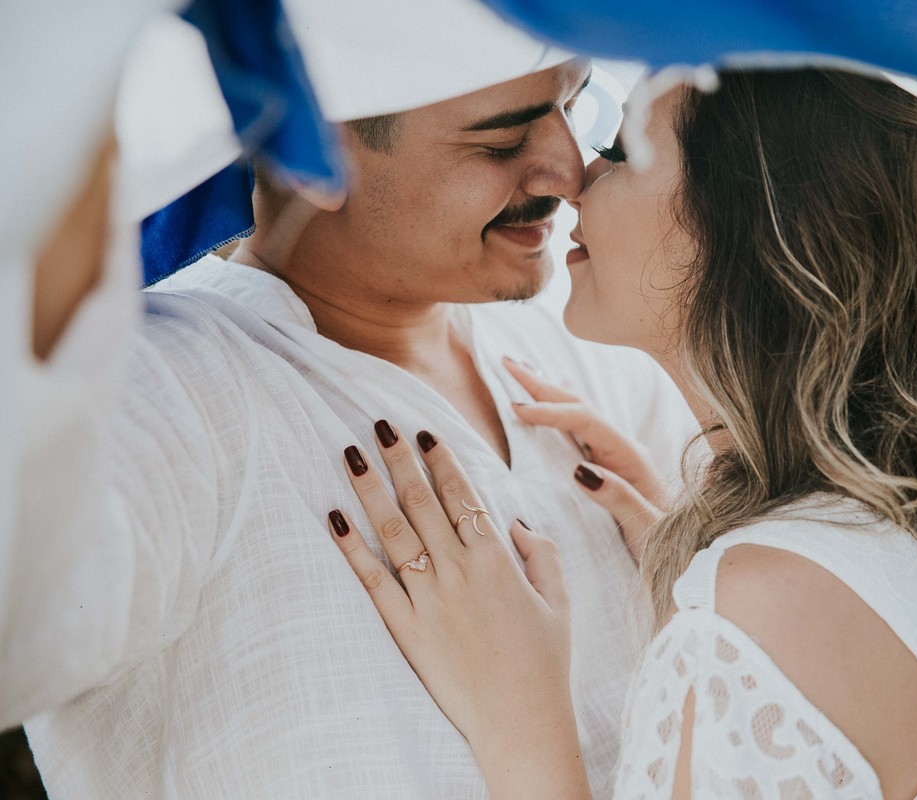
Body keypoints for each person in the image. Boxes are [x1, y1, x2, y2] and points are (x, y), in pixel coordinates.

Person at [325, 67, 917, 799]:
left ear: (746, 233)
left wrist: (522, 726)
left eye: (623, 150)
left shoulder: (762, 610)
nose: (573, 177)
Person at [5, 49, 701, 797]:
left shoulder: (592, 328)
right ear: (309, 159)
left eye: (573, 104)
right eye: (500, 143)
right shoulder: (161, 391)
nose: (570, 172)